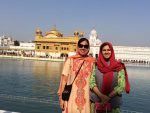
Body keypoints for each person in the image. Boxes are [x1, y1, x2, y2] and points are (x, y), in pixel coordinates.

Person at [57, 38, 96, 113]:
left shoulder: (93, 62)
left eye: (85, 46)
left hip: (86, 99)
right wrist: (61, 98)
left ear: (88, 48)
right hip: (71, 97)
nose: (83, 48)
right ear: (77, 47)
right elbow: (64, 80)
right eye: (81, 45)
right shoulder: (70, 60)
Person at [90, 42, 130, 113]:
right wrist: (102, 96)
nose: (106, 52)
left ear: (112, 51)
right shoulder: (96, 65)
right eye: (104, 50)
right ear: (101, 52)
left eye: (108, 50)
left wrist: (107, 97)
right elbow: (91, 83)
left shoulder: (119, 66)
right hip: (97, 102)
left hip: (113, 104)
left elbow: (121, 86)